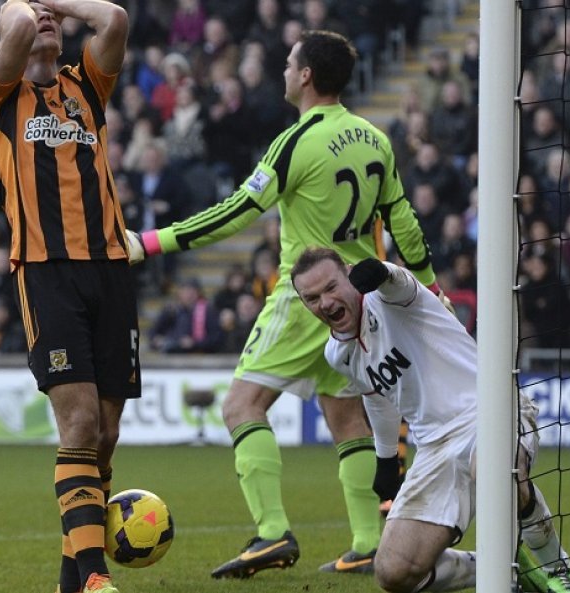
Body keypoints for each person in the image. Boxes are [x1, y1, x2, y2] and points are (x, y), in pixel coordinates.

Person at [127, 30, 447, 578]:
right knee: (348, 421)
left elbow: (235, 212)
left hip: (306, 297)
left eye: (288, 63)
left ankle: (272, 533)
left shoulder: (296, 141)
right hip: (360, 303)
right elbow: (403, 224)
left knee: (241, 407)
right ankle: (370, 540)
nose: (281, 70)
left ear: (305, 76)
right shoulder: (375, 137)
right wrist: (428, 289)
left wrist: (154, 241)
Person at [290, 248, 570, 593]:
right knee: (392, 572)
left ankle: (557, 568)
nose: (324, 302)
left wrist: (380, 271)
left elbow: (398, 281)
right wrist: (386, 460)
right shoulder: (337, 353)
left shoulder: (390, 300)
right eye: (311, 297)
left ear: (350, 274)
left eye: (330, 287)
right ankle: (508, 573)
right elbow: (378, 399)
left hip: (492, 410)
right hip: (434, 448)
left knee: (492, 468)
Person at [0, 2, 139, 593]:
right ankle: (95, 578)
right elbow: (13, 27)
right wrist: (23, 9)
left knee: (107, 435)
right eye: (28, 15)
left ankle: (73, 577)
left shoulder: (86, 85)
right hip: (47, 272)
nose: (40, 20)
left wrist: (55, 4)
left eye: (52, 17)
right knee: (80, 423)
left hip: (112, 268)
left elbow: (114, 18)